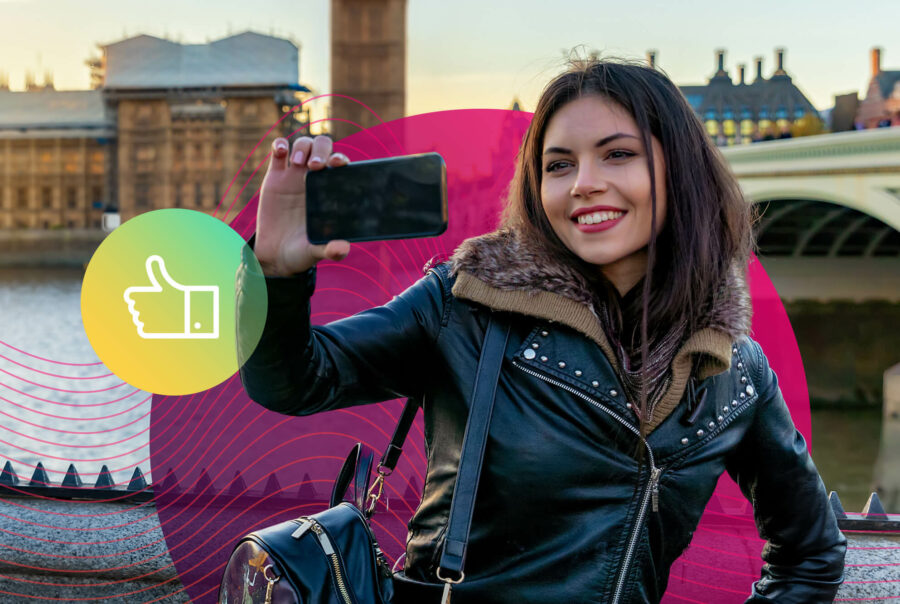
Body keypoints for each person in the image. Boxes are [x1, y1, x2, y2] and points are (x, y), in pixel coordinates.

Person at [236, 58, 846, 603]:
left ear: (680, 172)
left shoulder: (733, 373)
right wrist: (272, 276)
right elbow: (295, 382)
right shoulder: (466, 303)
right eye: (559, 164)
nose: (583, 182)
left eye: (618, 154)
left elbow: (811, 555)